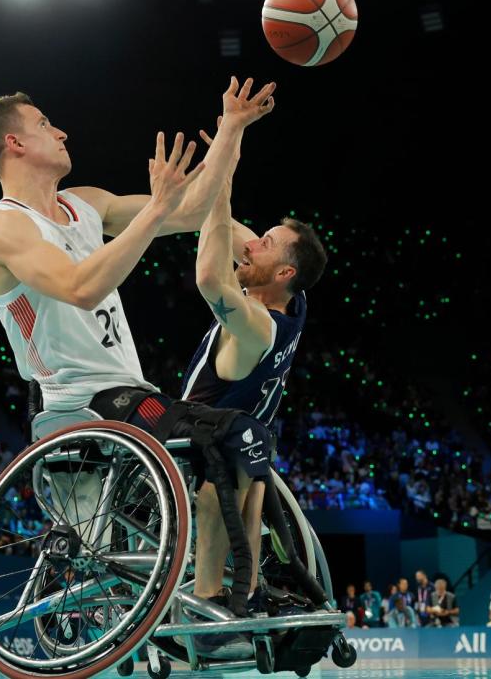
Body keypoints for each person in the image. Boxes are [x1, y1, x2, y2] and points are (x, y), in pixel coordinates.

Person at [0, 79, 299, 629]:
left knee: (245, 441)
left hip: (128, 398)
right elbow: (80, 287)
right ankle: (218, 602)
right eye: (46, 123)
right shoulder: (3, 228)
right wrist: (157, 209)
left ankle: (241, 591)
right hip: (76, 401)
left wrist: (230, 132)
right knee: (231, 432)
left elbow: (192, 208)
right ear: (14, 143)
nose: (61, 130)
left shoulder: (86, 204)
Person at [181, 107, 326, 608]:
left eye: (263, 245)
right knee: (248, 465)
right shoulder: (296, 300)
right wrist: (229, 143)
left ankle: (209, 594)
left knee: (232, 472)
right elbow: (225, 221)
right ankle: (246, 589)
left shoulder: (257, 323)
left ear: (284, 271)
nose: (250, 246)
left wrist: (220, 174)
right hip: (244, 443)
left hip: (198, 432)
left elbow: (207, 279)